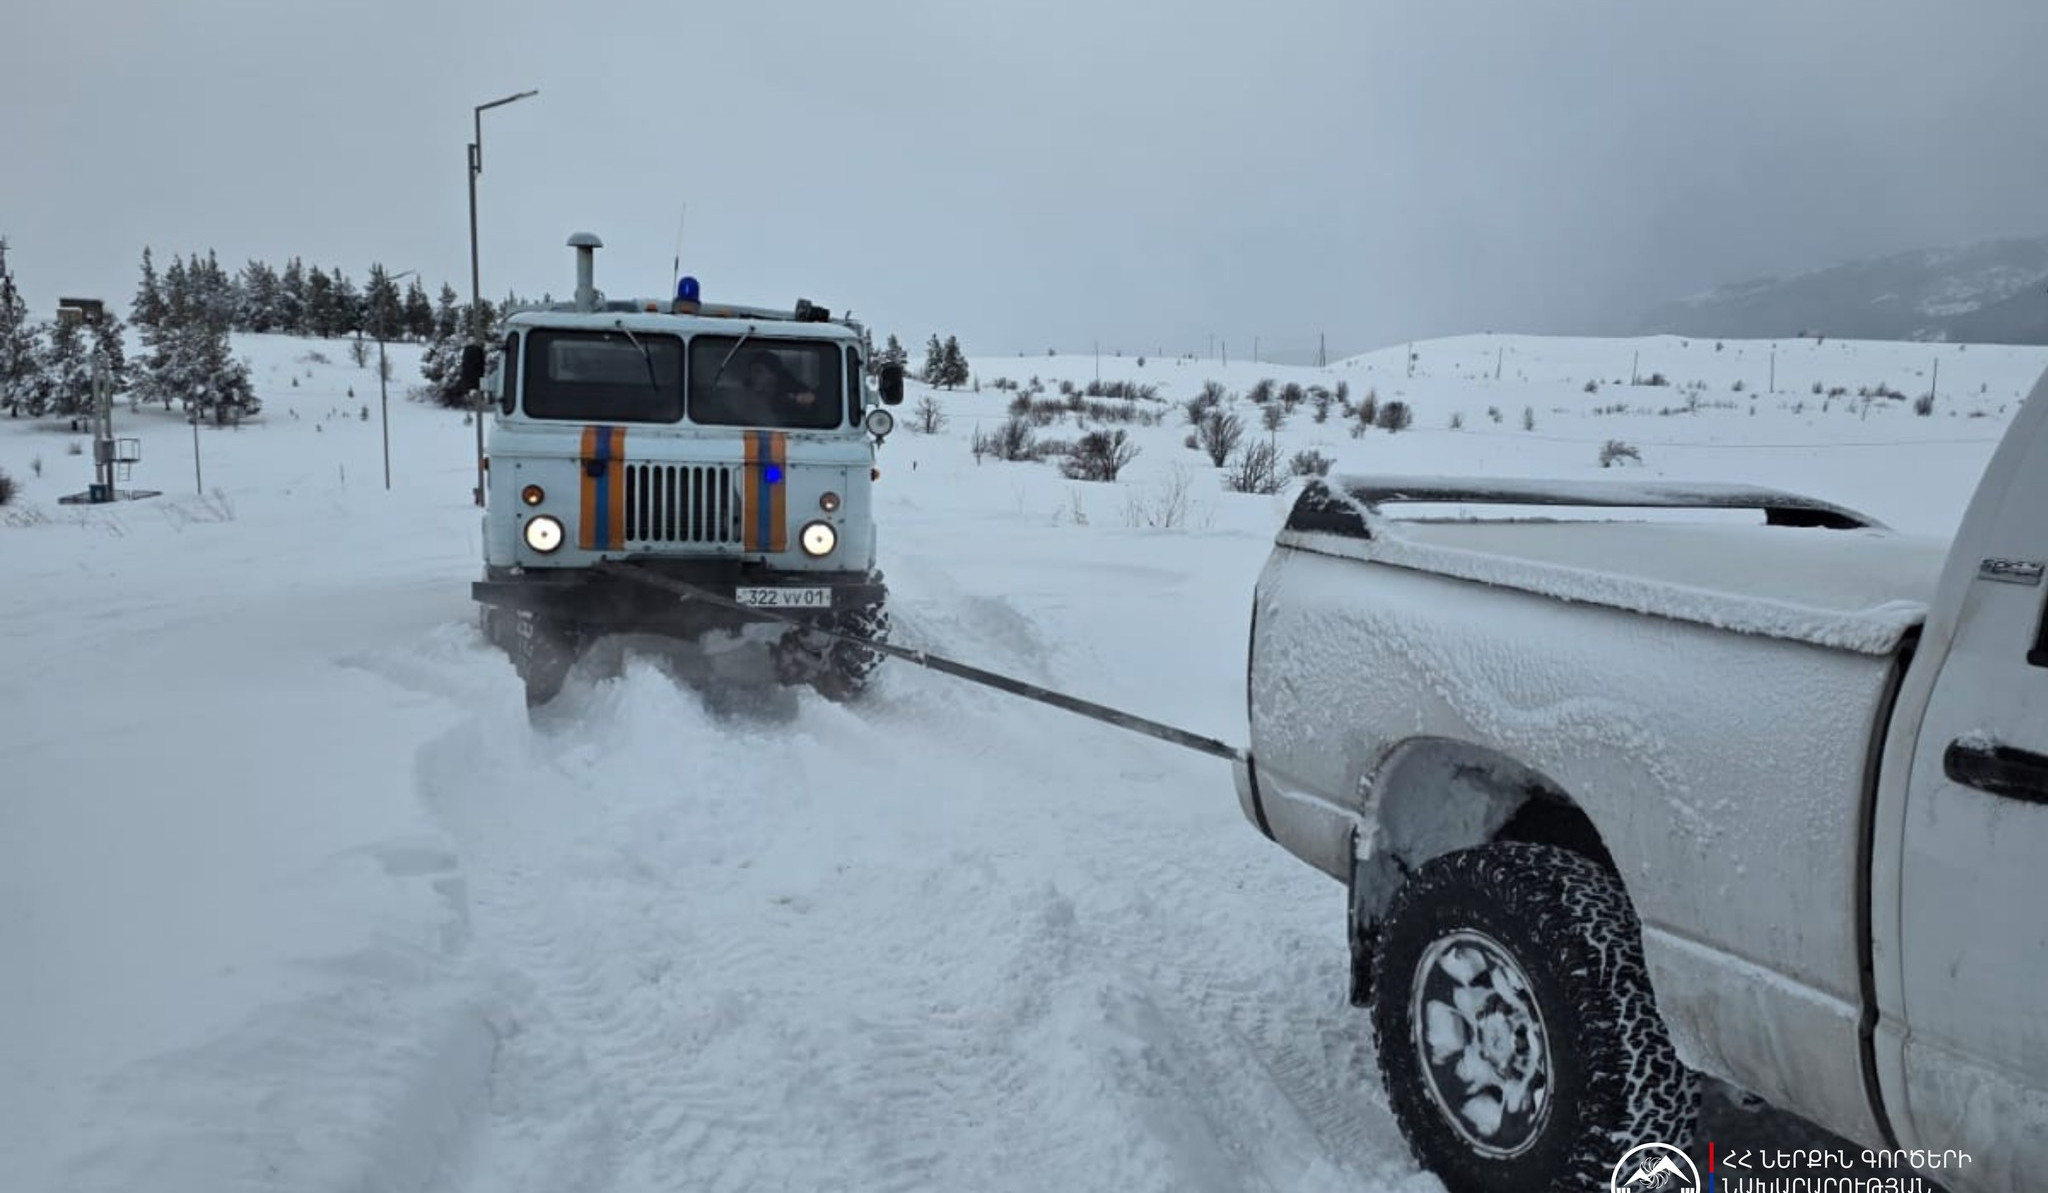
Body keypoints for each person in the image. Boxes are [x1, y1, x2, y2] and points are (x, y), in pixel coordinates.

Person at [741, 350, 820, 421]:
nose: (752, 376)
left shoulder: (791, 404)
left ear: (775, 375)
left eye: (758, 371)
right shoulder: (744, 400)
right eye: (751, 372)